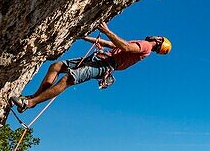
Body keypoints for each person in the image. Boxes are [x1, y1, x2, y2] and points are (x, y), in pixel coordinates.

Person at [10, 22, 171, 112]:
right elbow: (112, 45)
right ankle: (33, 98)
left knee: (67, 79)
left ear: (158, 42)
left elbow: (126, 48)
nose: (156, 36)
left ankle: (30, 103)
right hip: (100, 59)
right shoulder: (143, 45)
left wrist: (107, 31)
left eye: (159, 37)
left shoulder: (146, 47)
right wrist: (85, 37)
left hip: (103, 65)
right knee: (56, 66)